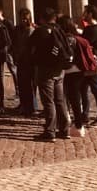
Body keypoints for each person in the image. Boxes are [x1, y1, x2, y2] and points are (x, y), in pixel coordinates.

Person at [29, 8, 71, 142]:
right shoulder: (59, 30)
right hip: (60, 69)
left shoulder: (40, 31)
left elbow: (30, 47)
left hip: (45, 69)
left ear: (42, 18)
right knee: (60, 100)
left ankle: (50, 131)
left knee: (48, 101)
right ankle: (64, 130)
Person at [58, 16, 88, 137]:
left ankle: (72, 123)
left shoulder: (66, 39)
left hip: (68, 70)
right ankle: (78, 124)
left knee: (67, 98)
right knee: (76, 98)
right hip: (79, 70)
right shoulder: (77, 37)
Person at [80, 9, 97, 127]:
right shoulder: (92, 28)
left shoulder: (94, 29)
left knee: (95, 90)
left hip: (91, 62)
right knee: (83, 89)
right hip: (87, 62)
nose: (83, 15)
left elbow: (85, 43)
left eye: (85, 13)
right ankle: (84, 115)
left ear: (91, 14)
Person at [12, 8, 36, 116]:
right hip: (20, 60)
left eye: (26, 19)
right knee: (21, 84)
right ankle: (24, 104)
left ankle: (30, 107)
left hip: (28, 61)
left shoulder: (31, 30)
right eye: (22, 19)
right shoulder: (18, 29)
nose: (24, 21)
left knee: (28, 85)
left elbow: (29, 46)